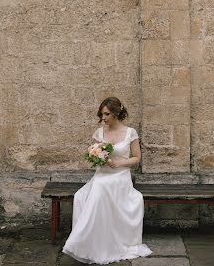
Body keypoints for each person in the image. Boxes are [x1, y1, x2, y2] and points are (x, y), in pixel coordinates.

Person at [62, 97, 152, 264]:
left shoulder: (130, 133)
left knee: (101, 188)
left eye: (107, 114)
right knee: (80, 196)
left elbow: (136, 158)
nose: (103, 118)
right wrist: (96, 155)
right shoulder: (99, 133)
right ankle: (87, 241)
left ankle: (89, 242)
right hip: (101, 174)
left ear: (116, 113)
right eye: (102, 114)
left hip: (120, 175)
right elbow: (92, 153)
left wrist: (117, 163)